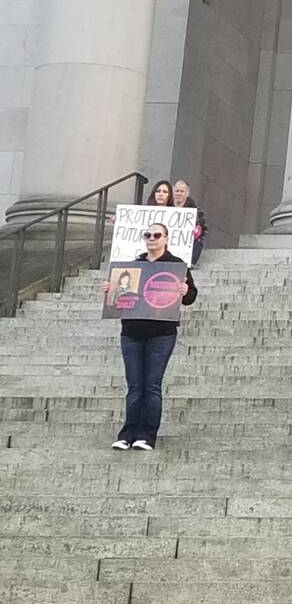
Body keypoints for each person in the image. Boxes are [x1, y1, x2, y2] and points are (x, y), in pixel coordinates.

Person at [105, 220, 198, 451]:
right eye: (148, 235)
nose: (152, 238)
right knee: (135, 385)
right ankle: (127, 433)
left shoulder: (176, 265)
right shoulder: (135, 264)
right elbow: (121, 298)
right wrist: (112, 290)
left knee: (152, 384)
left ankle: (146, 435)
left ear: (166, 238)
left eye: (157, 235)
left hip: (161, 332)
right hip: (132, 330)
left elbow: (190, 297)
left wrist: (186, 291)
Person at [169, 180, 206, 267]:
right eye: (177, 191)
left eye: (182, 191)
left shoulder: (196, 211)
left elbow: (204, 230)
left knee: (198, 242)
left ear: (187, 193)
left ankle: (190, 263)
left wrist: (197, 232)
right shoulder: (166, 208)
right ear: (173, 191)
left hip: (187, 244)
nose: (179, 193)